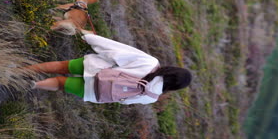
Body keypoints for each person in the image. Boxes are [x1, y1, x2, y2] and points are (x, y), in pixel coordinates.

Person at [26, 34, 192, 104]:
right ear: (175, 87)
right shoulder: (152, 97)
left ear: (172, 70)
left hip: (97, 68)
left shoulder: (151, 63)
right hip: (97, 93)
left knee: (61, 66)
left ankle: (23, 71)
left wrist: (90, 38)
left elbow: (117, 51)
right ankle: (34, 85)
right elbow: (125, 101)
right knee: (61, 83)